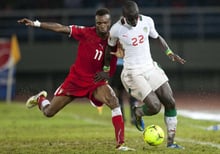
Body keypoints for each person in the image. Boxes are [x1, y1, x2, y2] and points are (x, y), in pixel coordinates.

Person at [17, 8, 135, 151]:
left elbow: (126, 50)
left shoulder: (116, 39)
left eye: (105, 22)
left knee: (113, 101)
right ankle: (40, 99)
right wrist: (36, 24)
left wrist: (110, 70)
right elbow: (61, 28)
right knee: (48, 113)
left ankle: (120, 144)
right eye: (99, 23)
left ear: (110, 23)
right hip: (75, 81)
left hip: (96, 82)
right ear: (95, 23)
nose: (102, 26)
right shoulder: (86, 33)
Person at [95, 1, 186, 149]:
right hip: (132, 73)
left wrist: (169, 52)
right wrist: (105, 69)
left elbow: (157, 37)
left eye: (136, 17)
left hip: (150, 67)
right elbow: (108, 49)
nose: (135, 20)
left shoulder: (147, 21)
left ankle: (171, 143)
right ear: (124, 17)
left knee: (170, 101)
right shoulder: (116, 29)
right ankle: (137, 112)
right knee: (155, 107)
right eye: (131, 18)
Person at [109, 57, 138, 125]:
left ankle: (122, 118)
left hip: (119, 67)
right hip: (127, 66)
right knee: (131, 94)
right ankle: (133, 117)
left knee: (119, 95)